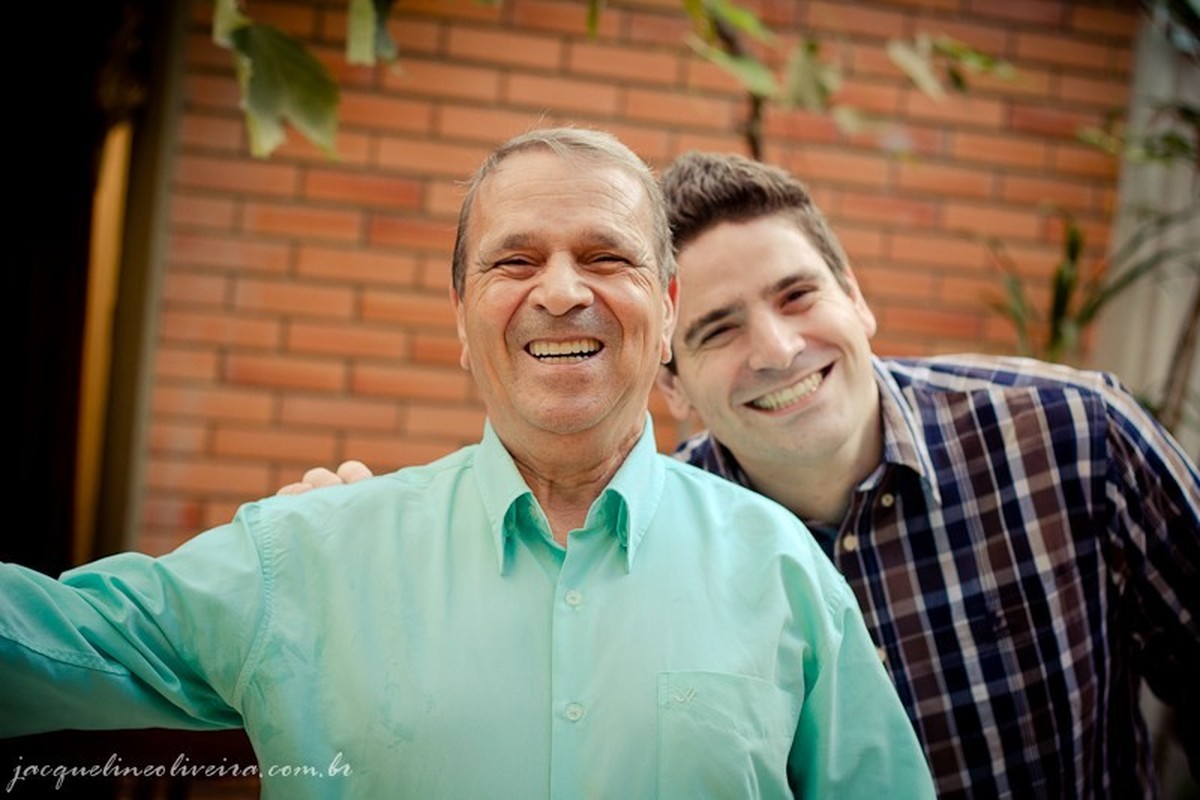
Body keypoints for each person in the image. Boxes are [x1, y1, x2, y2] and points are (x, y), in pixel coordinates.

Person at [0, 129, 935, 799]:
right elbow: (40, 643)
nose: (561, 292)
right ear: (461, 317)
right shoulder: (306, 556)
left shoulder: (781, 567)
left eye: (606, 256)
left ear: (667, 312)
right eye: (513, 262)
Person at [293, 150, 1200, 799]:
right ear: (671, 384)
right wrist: (355, 569)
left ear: (857, 297)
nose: (776, 349)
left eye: (798, 295)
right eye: (718, 329)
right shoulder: (629, 541)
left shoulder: (1077, 437)